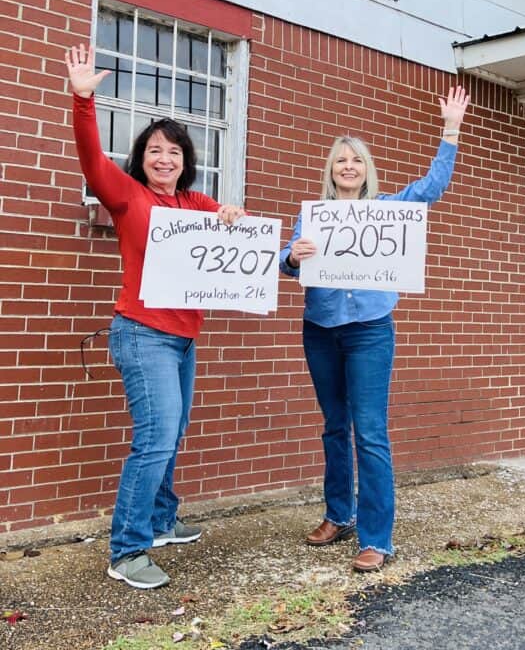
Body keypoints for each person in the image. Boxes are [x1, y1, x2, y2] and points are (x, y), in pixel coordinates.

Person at [64, 44, 245, 589]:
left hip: (184, 337)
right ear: (142, 158)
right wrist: (82, 100)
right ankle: (127, 550)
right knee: (156, 438)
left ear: (186, 160)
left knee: (174, 432)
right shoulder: (127, 196)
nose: (164, 159)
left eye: (173, 152)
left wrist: (233, 216)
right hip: (143, 335)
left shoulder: (198, 204)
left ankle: (162, 520)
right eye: (154, 151)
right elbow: (92, 161)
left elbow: (236, 238)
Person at [280, 86, 470, 572]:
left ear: (366, 170)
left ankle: (376, 538)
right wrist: (291, 258)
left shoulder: (388, 211)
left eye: (356, 160)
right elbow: (288, 264)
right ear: (331, 170)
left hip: (369, 332)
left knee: (370, 432)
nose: (347, 166)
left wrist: (450, 130)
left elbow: (431, 188)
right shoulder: (312, 215)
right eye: (340, 160)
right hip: (320, 329)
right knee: (332, 427)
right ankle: (338, 514)